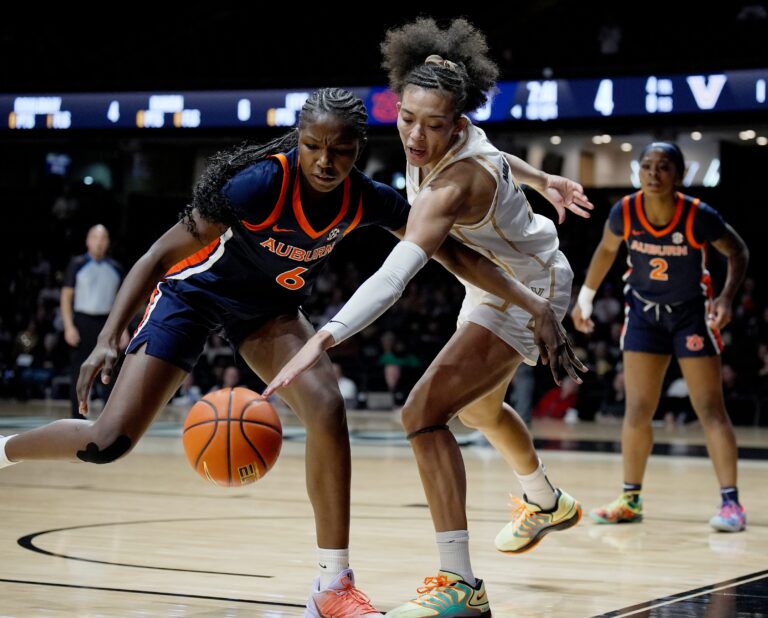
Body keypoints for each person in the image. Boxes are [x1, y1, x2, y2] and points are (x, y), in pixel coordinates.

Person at [0, 87, 580, 618]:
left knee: (327, 407)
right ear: (297, 141)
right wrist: (107, 336)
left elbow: (456, 255)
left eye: (341, 150)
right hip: (192, 297)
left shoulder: (364, 198)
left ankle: (332, 587)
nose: (325, 162)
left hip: (268, 311)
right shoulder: (258, 184)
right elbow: (157, 255)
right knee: (107, 442)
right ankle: (5, 450)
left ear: (358, 149)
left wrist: (533, 303)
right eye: (313, 146)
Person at [264, 19, 592, 617]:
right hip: (495, 277)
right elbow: (498, 153)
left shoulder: (453, 185)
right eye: (407, 117)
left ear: (456, 124)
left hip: (527, 286)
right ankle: (546, 501)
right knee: (479, 409)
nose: (415, 135)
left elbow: (394, 276)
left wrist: (325, 339)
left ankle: (460, 585)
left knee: (422, 412)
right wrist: (542, 178)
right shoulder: (459, 136)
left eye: (433, 125)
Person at [570, 141, 749, 533]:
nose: (653, 173)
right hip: (645, 317)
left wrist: (726, 297)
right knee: (637, 410)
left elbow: (738, 251)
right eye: (647, 166)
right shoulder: (625, 210)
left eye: (663, 166)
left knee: (709, 409)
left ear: (680, 175)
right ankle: (630, 499)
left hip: (692, 317)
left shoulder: (698, 215)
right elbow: (604, 251)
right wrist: (584, 299)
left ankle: (731, 503)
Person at [60, 224, 125, 418]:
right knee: (80, 370)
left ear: (108, 242)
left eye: (103, 238)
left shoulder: (115, 268)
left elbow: (121, 301)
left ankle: (109, 416)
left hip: (107, 322)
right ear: (88, 241)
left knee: (109, 370)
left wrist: (123, 329)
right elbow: (66, 297)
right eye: (95, 238)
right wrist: (69, 326)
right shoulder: (77, 264)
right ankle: (77, 416)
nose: (99, 242)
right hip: (82, 322)